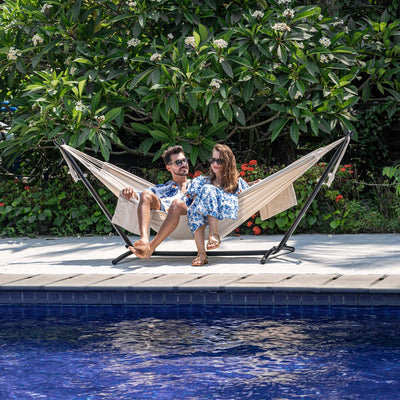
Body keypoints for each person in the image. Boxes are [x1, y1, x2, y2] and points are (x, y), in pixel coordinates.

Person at [186, 144, 252, 266]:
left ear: (227, 162)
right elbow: (192, 198)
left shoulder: (235, 183)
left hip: (221, 215)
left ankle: (204, 250)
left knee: (207, 192)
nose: (215, 163)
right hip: (199, 215)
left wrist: (256, 183)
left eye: (219, 161)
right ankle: (206, 247)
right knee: (197, 207)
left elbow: (249, 191)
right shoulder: (203, 181)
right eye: (213, 160)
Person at [121, 145, 190, 259]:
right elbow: (139, 198)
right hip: (166, 216)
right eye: (178, 162)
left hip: (189, 218)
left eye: (184, 161)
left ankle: (151, 247)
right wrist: (130, 192)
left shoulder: (197, 185)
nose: (183, 164)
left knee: (176, 203)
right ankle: (144, 239)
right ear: (169, 168)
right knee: (146, 194)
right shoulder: (161, 189)